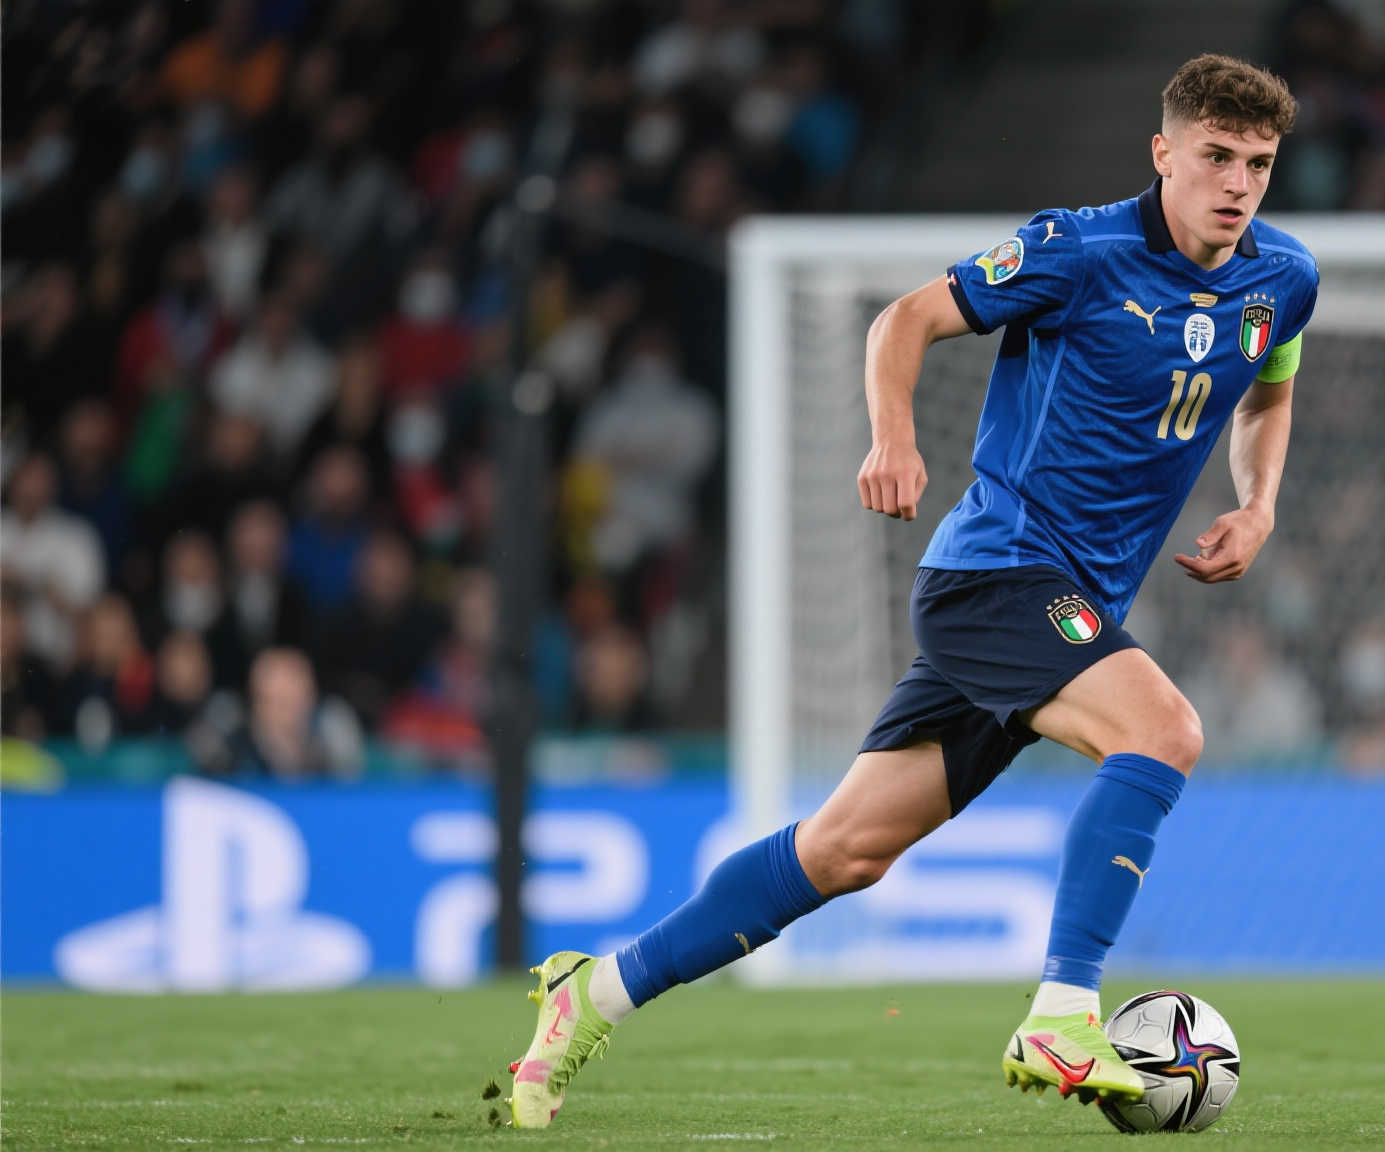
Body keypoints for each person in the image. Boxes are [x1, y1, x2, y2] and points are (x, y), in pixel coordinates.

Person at [498, 54, 1318, 1129]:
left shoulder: (1282, 278)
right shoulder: (1076, 249)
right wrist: (893, 437)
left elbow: (1268, 389)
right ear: (1163, 153)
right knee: (1163, 731)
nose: (1238, 184)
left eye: (1258, 164)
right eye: (1216, 157)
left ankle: (593, 992)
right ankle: (1062, 1012)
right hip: (1000, 574)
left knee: (844, 851)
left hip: (1065, 602)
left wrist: (1258, 504)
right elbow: (904, 319)